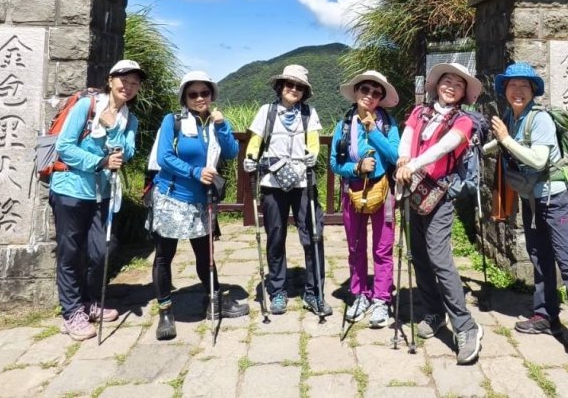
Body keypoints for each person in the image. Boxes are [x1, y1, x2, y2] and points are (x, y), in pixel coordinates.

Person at [488, 61, 568, 374]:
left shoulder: (541, 119)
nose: (518, 90)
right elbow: (504, 143)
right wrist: (482, 146)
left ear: (533, 91)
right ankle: (545, 315)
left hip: (555, 200)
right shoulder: (512, 117)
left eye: (524, 86)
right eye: (512, 85)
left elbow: (538, 159)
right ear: (505, 90)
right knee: (539, 257)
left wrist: (505, 139)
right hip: (532, 200)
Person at [394, 62, 484, 365]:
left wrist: (412, 164)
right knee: (418, 255)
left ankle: (466, 326)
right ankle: (434, 311)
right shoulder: (419, 112)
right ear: (437, 85)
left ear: (463, 93)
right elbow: (407, 136)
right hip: (412, 190)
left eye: (458, 84)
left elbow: (445, 147)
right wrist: (402, 159)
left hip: (439, 195)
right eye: (447, 81)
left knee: (439, 258)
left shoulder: (464, 121)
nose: (451, 87)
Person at [150, 70, 249, 341]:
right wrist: (194, 172)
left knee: (205, 254)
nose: (199, 98)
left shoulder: (214, 123)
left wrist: (222, 125)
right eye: (192, 94)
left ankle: (214, 300)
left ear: (212, 95)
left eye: (204, 93)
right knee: (164, 256)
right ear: (184, 97)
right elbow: (164, 157)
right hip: (172, 197)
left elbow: (231, 152)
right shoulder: (172, 121)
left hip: (202, 200)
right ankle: (165, 312)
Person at [50, 59, 143, 341]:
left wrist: (113, 130)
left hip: (102, 194)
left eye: (134, 83)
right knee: (70, 251)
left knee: (102, 249)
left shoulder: (130, 120)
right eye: (123, 80)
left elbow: (127, 152)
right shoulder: (87, 107)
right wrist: (100, 162)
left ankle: (89, 301)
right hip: (70, 188)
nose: (128, 86)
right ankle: (71, 312)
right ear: (110, 80)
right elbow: (64, 146)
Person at [243, 64, 330, 316]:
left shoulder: (309, 113)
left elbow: (313, 142)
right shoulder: (267, 111)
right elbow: (256, 141)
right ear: (281, 86)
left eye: (299, 86)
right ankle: (278, 290)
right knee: (275, 235)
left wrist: (313, 154)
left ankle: (315, 292)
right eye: (290, 84)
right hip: (272, 182)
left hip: (303, 182)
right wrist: (250, 157)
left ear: (304, 91)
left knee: (312, 236)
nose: (294, 89)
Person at [330, 70, 401, 328]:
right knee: (355, 246)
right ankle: (359, 293)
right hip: (354, 191)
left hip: (383, 191)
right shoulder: (343, 126)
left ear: (381, 98)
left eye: (376, 93)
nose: (370, 95)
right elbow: (335, 163)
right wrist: (356, 168)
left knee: (383, 247)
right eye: (365, 90)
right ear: (357, 92)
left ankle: (381, 298)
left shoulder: (388, 125)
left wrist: (373, 131)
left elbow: (395, 156)